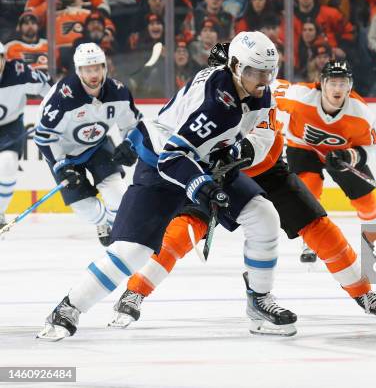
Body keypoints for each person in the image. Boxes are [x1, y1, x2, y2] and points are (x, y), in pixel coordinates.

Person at [108, 45, 376, 329]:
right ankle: (135, 291)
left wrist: (237, 151)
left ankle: (363, 293)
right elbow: (168, 127)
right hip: (216, 173)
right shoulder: (206, 92)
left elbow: (262, 139)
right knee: (181, 233)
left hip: (267, 171)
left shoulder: (265, 91)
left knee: (318, 225)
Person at [37, 32, 297, 341]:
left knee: (263, 215)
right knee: (133, 251)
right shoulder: (216, 104)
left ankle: (259, 302)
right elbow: (173, 158)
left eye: (269, 72)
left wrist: (236, 151)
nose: (263, 80)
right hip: (161, 164)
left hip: (205, 160)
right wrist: (204, 187)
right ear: (236, 66)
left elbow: (252, 136)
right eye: (255, 72)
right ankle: (68, 308)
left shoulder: (257, 92)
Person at [278, 59, 376, 265]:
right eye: (333, 83)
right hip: (303, 148)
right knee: (308, 190)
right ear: (322, 83)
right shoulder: (299, 96)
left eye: (343, 83)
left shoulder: (361, 114)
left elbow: (371, 146)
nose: (337, 89)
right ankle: (311, 241)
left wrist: (350, 157)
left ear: (350, 86)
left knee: (367, 202)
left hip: (341, 154)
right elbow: (268, 91)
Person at [33, 43, 141, 246]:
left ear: (104, 67)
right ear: (78, 70)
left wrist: (130, 144)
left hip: (97, 146)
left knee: (118, 194)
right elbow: (44, 136)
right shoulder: (63, 97)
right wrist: (61, 166)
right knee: (85, 210)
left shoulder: (118, 92)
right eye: (87, 69)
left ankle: (122, 231)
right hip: (63, 155)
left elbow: (134, 126)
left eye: (97, 68)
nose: (93, 74)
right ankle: (108, 222)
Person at [0, 42, 52, 229]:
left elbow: (48, 90)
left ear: (4, 58)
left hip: (10, 127)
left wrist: (58, 111)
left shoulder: (19, 72)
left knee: (7, 164)